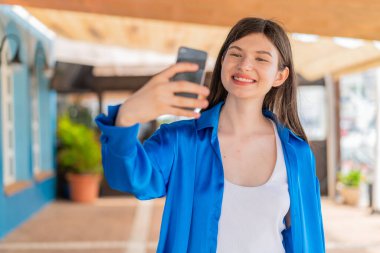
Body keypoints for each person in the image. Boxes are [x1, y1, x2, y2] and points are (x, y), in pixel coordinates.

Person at [95, 17, 325, 253]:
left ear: (280, 76)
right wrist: (127, 116)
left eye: (261, 58)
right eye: (235, 54)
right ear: (223, 61)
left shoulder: (297, 153)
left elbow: (308, 241)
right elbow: (128, 178)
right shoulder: (180, 142)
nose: (245, 65)